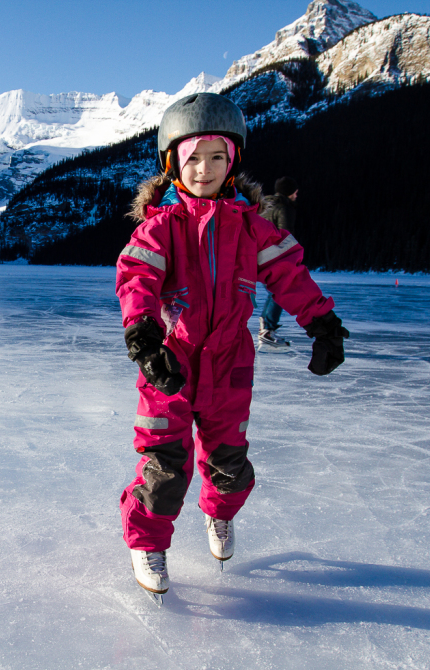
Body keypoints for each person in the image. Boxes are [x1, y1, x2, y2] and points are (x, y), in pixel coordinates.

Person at [116, 93, 349, 600]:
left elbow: (288, 273)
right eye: (193, 157)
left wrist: (322, 322)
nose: (205, 168)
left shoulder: (250, 226)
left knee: (231, 470)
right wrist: (144, 337)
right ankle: (148, 543)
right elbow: (136, 278)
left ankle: (217, 516)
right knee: (163, 469)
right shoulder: (161, 227)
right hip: (169, 365)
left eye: (217, 157)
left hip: (229, 367)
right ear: (172, 161)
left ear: (233, 161)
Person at [257, 177, 300, 350]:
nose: (297, 196)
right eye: (295, 192)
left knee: (274, 291)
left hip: (257, 253)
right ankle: (267, 329)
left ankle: (266, 327)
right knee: (280, 289)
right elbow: (285, 234)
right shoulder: (283, 208)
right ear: (288, 192)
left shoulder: (266, 205)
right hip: (273, 255)